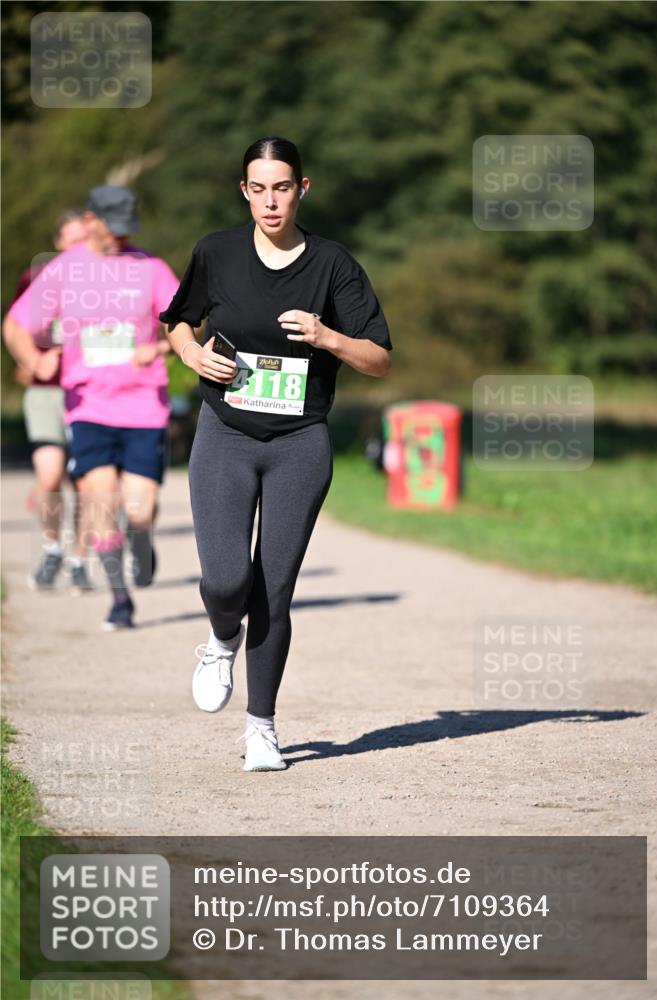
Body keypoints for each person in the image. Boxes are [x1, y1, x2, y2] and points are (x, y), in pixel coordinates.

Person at [159, 136, 392, 772]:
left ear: (302, 189)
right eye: (258, 188)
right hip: (225, 434)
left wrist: (327, 336)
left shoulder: (332, 264)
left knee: (274, 590)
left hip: (299, 443)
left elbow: (379, 358)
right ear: (244, 190)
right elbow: (179, 319)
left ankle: (261, 728)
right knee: (226, 578)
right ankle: (219, 636)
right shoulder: (218, 251)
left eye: (282, 187)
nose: (270, 201)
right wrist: (190, 353)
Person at [4, 185, 181, 630]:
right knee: (100, 501)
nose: (121, 237)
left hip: (144, 405)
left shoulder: (152, 269)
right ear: (90, 222)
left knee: (140, 509)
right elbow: (17, 325)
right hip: (89, 405)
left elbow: (186, 321)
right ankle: (120, 601)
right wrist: (33, 358)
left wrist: (160, 347)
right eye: (112, 229)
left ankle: (141, 536)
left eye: (127, 230)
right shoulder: (64, 271)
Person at [5, 210, 94, 592]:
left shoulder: (103, 281)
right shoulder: (38, 278)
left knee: (88, 484)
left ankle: (79, 558)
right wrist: (31, 362)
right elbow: (17, 327)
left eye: (83, 241)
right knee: (50, 475)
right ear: (58, 244)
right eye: (71, 242)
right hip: (46, 393)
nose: (77, 249)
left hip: (90, 392)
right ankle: (51, 546)